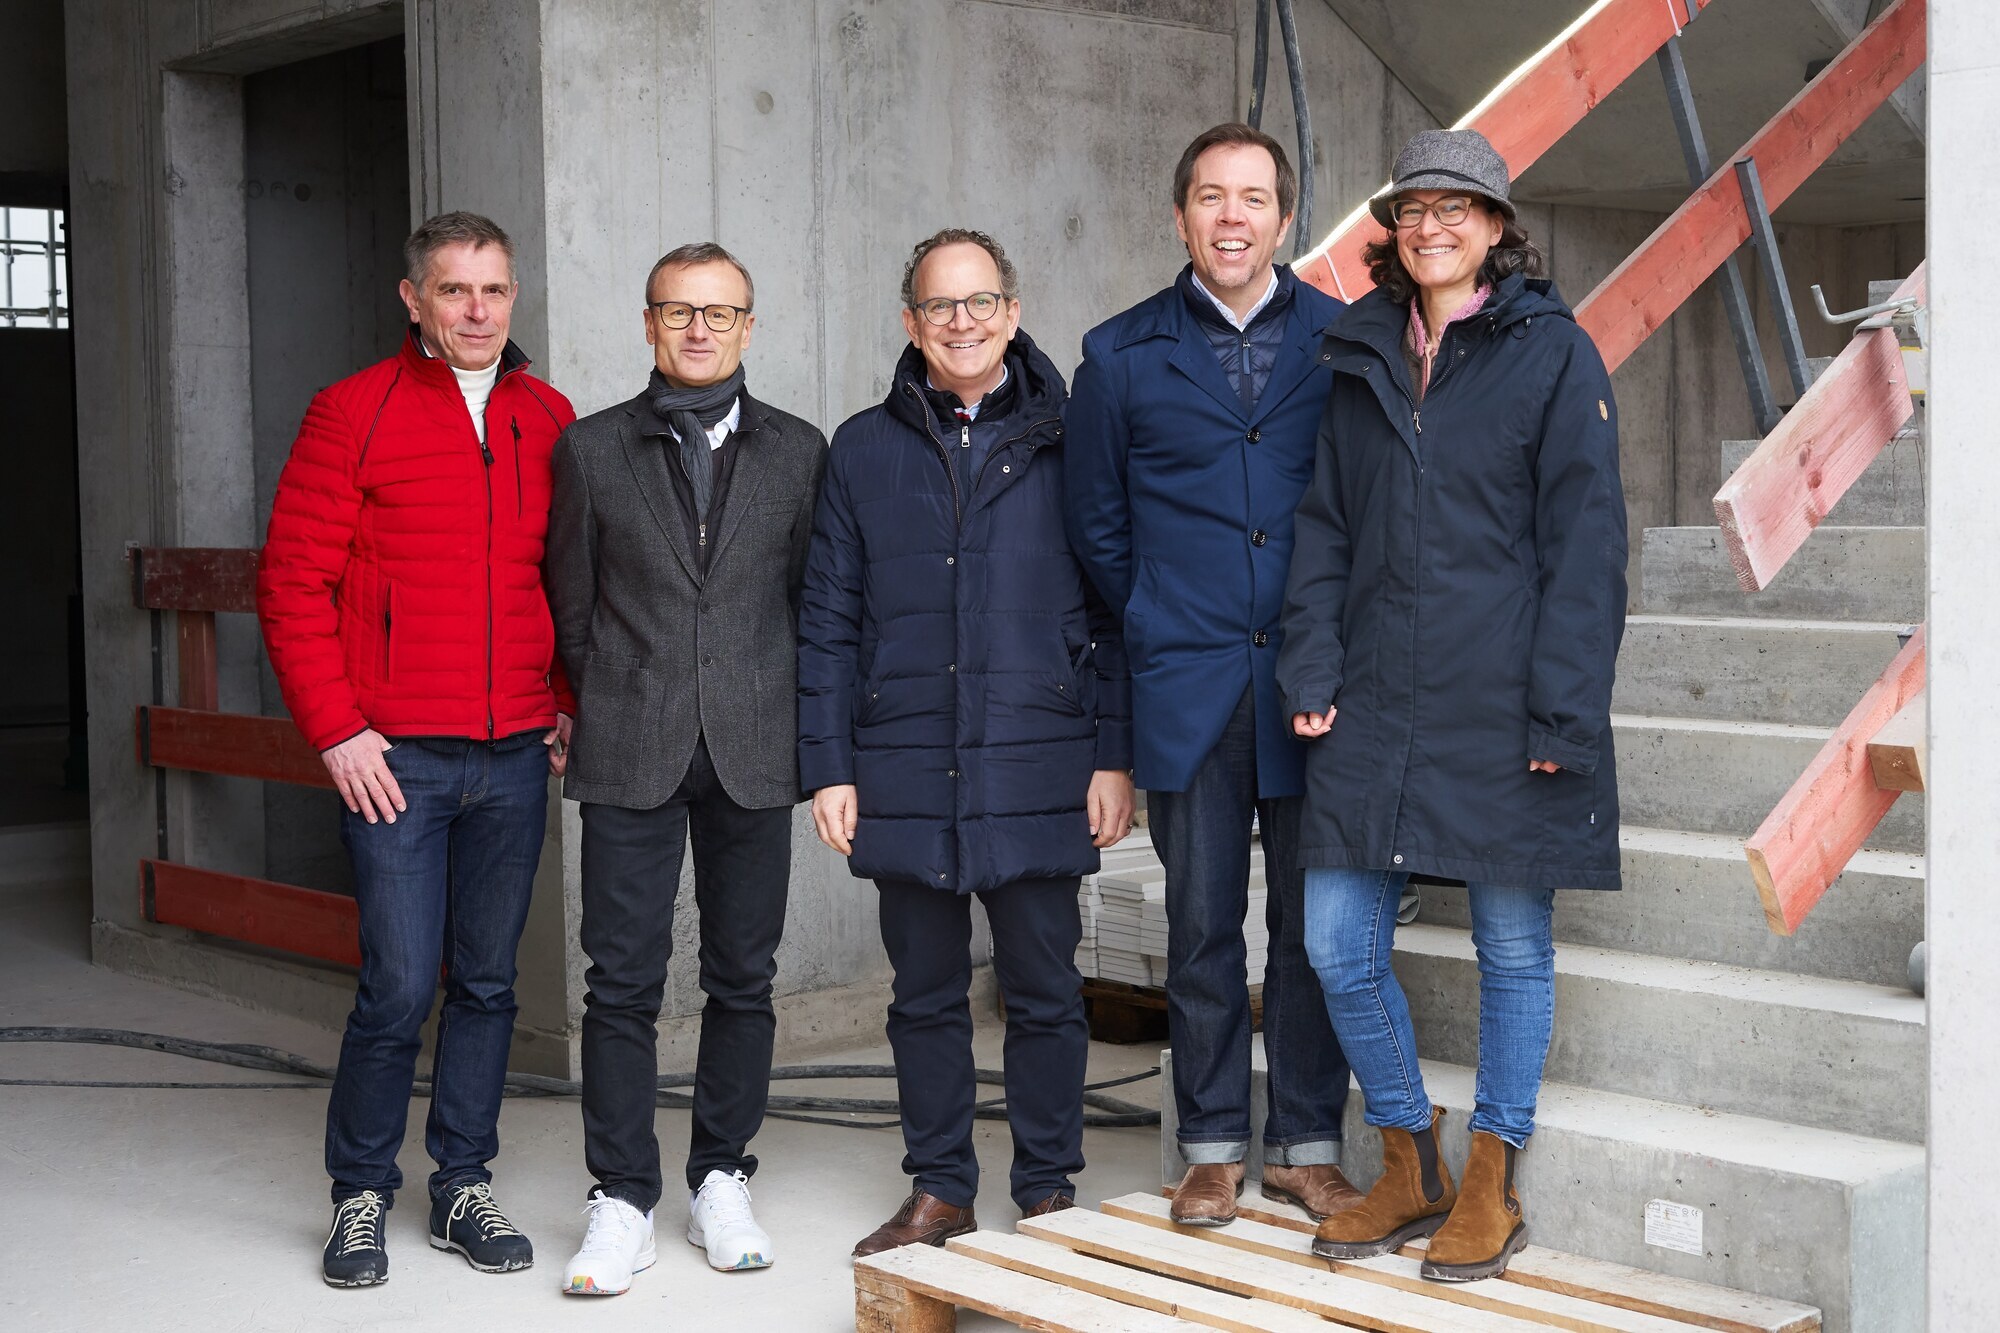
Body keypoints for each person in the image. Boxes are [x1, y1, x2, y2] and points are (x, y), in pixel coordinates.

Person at [1279, 128, 1627, 1282]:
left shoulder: (1553, 353)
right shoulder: (1360, 352)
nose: (1431, 227)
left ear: (1493, 227)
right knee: (1334, 939)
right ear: (1394, 228)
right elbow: (1324, 527)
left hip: (1503, 694)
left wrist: (1562, 715)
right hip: (1375, 696)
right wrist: (1310, 668)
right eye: (1412, 209)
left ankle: (1489, 1180)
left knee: (1510, 945)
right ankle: (1406, 1158)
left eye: (1455, 210)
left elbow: (1586, 550)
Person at [797, 228, 1134, 1257]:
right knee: (925, 996)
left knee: (1043, 992)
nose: (961, 322)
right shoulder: (859, 447)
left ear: (1013, 312)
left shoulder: (1075, 440)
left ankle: (1045, 1190)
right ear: (910, 323)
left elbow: (1114, 610)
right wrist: (829, 767)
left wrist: (1112, 754)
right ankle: (939, 1186)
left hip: (1040, 757)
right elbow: (826, 618)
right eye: (940, 307)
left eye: (979, 301)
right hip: (904, 761)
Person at [257, 211, 577, 1287]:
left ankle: (461, 1184)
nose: (476, 311)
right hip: (397, 755)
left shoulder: (548, 417)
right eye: (453, 291)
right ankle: (358, 1193)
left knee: (488, 981)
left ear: (514, 294)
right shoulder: (353, 410)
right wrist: (338, 728)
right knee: (398, 984)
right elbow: (292, 583)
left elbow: (566, 582)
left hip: (516, 751)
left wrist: (564, 698)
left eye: (492, 290)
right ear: (414, 300)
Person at [1065, 123, 1355, 1227]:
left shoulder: (1344, 343)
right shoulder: (1118, 354)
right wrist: (1155, 609)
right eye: (1208, 196)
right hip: (1185, 682)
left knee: (1315, 930)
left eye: (1253, 197)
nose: (1231, 216)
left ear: (1285, 218)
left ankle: (1305, 1142)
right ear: (1178, 214)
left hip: (1313, 679)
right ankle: (1210, 1143)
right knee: (1198, 927)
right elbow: (1095, 524)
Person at [543, 242, 828, 1292]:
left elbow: (806, 604)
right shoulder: (590, 449)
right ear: (649, 323)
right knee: (619, 982)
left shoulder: (800, 451)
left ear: (748, 327)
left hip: (754, 746)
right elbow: (572, 610)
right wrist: (614, 692)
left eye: (720, 313)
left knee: (740, 977)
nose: (699, 329)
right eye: (678, 312)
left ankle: (719, 1174)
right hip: (630, 738)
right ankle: (620, 1196)